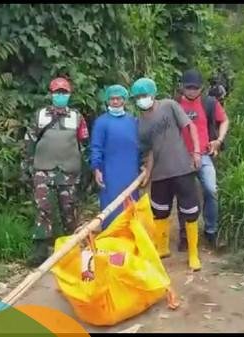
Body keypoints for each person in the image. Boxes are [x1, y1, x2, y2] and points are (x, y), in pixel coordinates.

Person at [132, 77, 204, 271]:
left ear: (153, 94)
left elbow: (190, 126)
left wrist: (197, 151)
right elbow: (149, 152)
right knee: (160, 211)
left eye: (144, 95)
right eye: (137, 97)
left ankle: (193, 254)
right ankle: (162, 248)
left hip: (182, 167)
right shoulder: (140, 123)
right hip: (160, 174)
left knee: (190, 212)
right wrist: (147, 172)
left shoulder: (169, 106)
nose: (141, 99)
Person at [24, 76, 89, 267]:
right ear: (51, 94)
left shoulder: (76, 117)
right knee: (43, 208)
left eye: (64, 93)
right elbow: (30, 141)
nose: (60, 96)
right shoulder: (40, 115)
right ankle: (41, 251)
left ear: (69, 95)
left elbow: (84, 144)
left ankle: (73, 247)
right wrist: (27, 166)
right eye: (57, 92)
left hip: (68, 170)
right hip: (43, 169)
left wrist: (85, 171)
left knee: (69, 208)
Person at [175, 69, 229, 251]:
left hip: (205, 155)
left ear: (201, 88)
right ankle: (184, 234)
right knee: (184, 195)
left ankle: (211, 231)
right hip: (182, 157)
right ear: (182, 87)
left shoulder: (209, 103)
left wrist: (219, 140)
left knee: (211, 190)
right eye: (188, 87)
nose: (191, 91)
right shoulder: (174, 105)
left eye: (195, 88)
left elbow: (224, 121)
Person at [90, 84, 140, 230]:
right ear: (107, 101)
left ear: (124, 100)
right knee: (111, 206)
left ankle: (131, 236)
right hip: (110, 172)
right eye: (112, 99)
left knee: (130, 204)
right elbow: (96, 147)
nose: (115, 102)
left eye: (118, 99)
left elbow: (140, 147)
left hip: (131, 172)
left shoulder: (133, 121)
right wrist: (97, 169)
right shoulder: (101, 122)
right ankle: (110, 237)